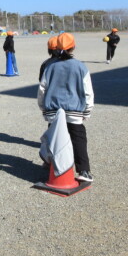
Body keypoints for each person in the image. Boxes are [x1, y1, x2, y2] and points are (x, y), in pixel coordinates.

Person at [38, 33, 94, 182]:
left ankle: (50, 163)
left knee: (54, 138)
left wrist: (43, 107)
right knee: (78, 139)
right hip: (74, 110)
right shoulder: (80, 66)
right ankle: (84, 171)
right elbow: (88, 91)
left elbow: (42, 89)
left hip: (53, 111)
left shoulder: (50, 66)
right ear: (73, 46)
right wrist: (87, 110)